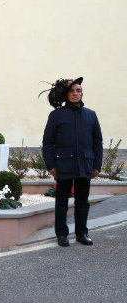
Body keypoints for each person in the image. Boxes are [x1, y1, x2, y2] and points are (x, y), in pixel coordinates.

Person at [42, 77, 102, 247]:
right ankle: (62, 234)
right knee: (62, 202)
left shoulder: (91, 115)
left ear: (82, 93)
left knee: (82, 202)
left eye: (78, 91)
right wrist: (51, 165)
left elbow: (98, 142)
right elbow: (48, 142)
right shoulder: (56, 115)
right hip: (63, 165)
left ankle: (82, 233)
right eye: (72, 91)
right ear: (66, 94)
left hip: (85, 165)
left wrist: (96, 165)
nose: (76, 94)